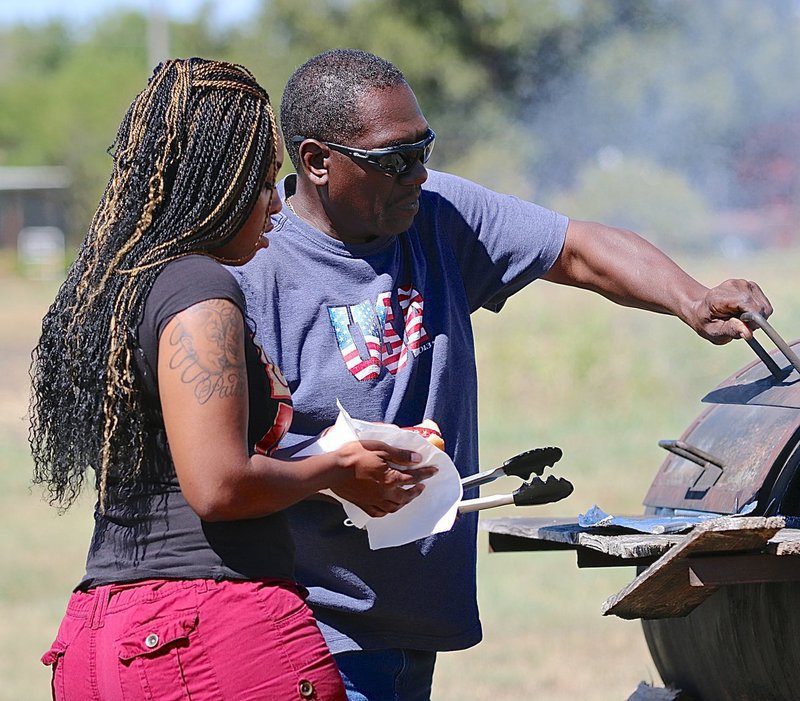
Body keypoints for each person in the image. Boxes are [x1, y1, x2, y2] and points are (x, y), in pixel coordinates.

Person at [230, 48, 773, 700]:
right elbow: (228, 467)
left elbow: (576, 248)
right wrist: (340, 472)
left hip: (411, 626)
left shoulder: (437, 213)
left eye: (424, 149)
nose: (419, 174)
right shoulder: (253, 269)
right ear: (317, 162)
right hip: (309, 629)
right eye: (395, 160)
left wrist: (691, 298)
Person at [28, 57, 436, 701]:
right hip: (210, 635)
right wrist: (337, 473)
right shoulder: (200, 287)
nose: (277, 204)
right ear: (211, 185)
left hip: (101, 637)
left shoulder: (113, 291)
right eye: (261, 184)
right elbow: (218, 485)